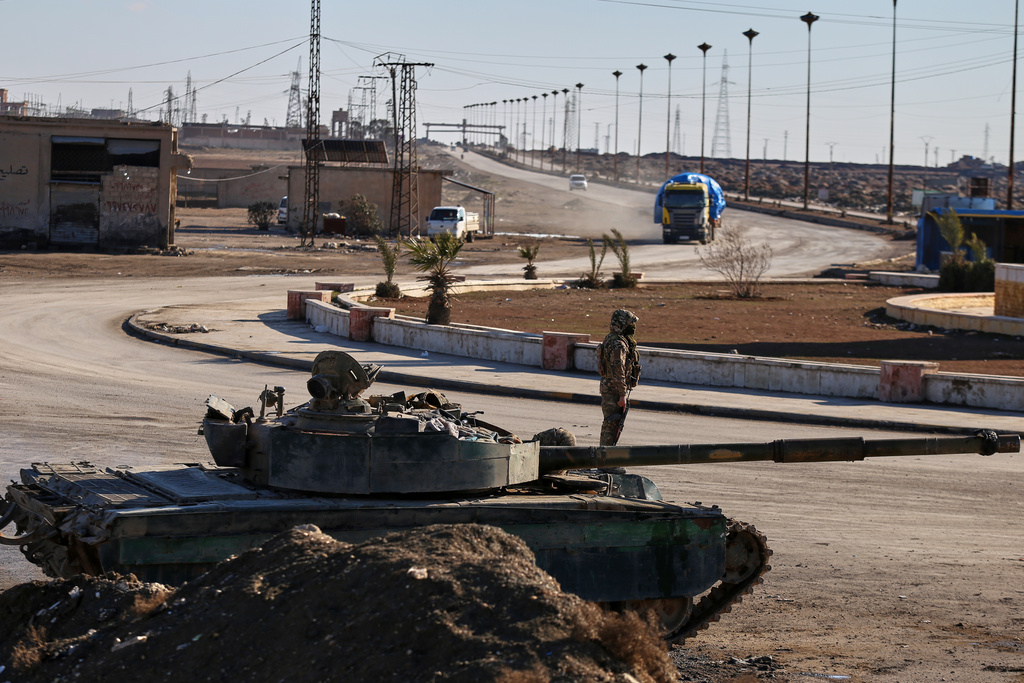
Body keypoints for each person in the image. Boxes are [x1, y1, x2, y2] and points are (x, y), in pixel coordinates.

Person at [596, 309, 641, 447]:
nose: (632, 327)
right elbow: (618, 371)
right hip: (613, 390)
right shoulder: (618, 344)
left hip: (610, 387)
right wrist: (622, 395)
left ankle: (606, 459)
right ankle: (605, 461)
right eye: (630, 324)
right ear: (623, 324)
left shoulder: (611, 338)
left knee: (612, 424)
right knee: (612, 424)